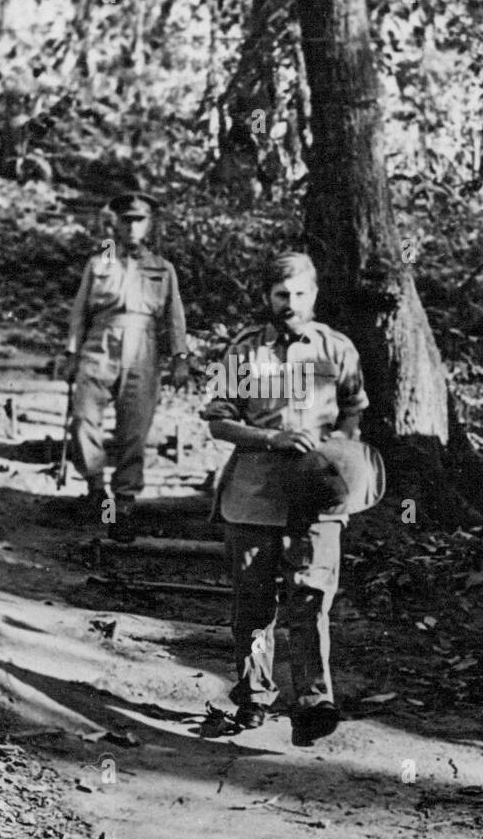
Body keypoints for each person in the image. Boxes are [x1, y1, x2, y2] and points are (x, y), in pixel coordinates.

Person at [202, 250, 383, 746]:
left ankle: (312, 701)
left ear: (314, 294)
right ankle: (255, 695)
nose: (291, 303)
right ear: (268, 297)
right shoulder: (245, 351)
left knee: (311, 598)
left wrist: (339, 454)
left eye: (300, 293)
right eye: (282, 294)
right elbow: (219, 419)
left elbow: (353, 409)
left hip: (318, 497)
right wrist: (271, 440)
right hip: (254, 493)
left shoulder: (336, 348)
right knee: (254, 602)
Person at [64, 166, 189, 540]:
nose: (133, 227)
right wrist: (71, 353)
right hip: (99, 343)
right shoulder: (98, 264)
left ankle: (124, 505)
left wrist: (180, 357)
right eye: (126, 220)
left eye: (140, 221)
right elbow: (79, 312)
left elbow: (175, 317)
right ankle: (95, 488)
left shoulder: (163, 270)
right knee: (84, 418)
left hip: (144, 348)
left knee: (135, 428)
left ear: (149, 225)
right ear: (114, 225)